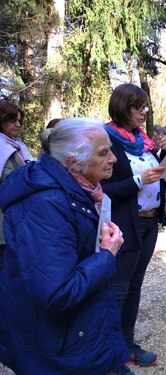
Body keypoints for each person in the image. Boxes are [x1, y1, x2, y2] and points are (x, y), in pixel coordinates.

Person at [0, 118, 130, 374]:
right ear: (73, 162)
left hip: (73, 329)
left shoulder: (79, 189)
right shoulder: (46, 205)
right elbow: (57, 291)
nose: (113, 158)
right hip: (55, 346)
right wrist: (106, 255)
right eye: (104, 153)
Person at [102, 83, 166, 370]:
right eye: (138, 106)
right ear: (123, 106)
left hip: (148, 224)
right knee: (118, 291)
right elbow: (102, 188)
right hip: (123, 226)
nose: (145, 112)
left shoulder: (142, 140)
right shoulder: (105, 139)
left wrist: (164, 175)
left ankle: (127, 346)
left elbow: (149, 176)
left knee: (134, 287)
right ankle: (111, 357)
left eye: (145, 106)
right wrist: (139, 180)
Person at [0, 100, 34, 273]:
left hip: (17, 219)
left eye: (20, 121)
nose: (18, 125)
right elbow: (10, 180)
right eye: (12, 120)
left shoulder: (17, 146)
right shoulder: (2, 148)